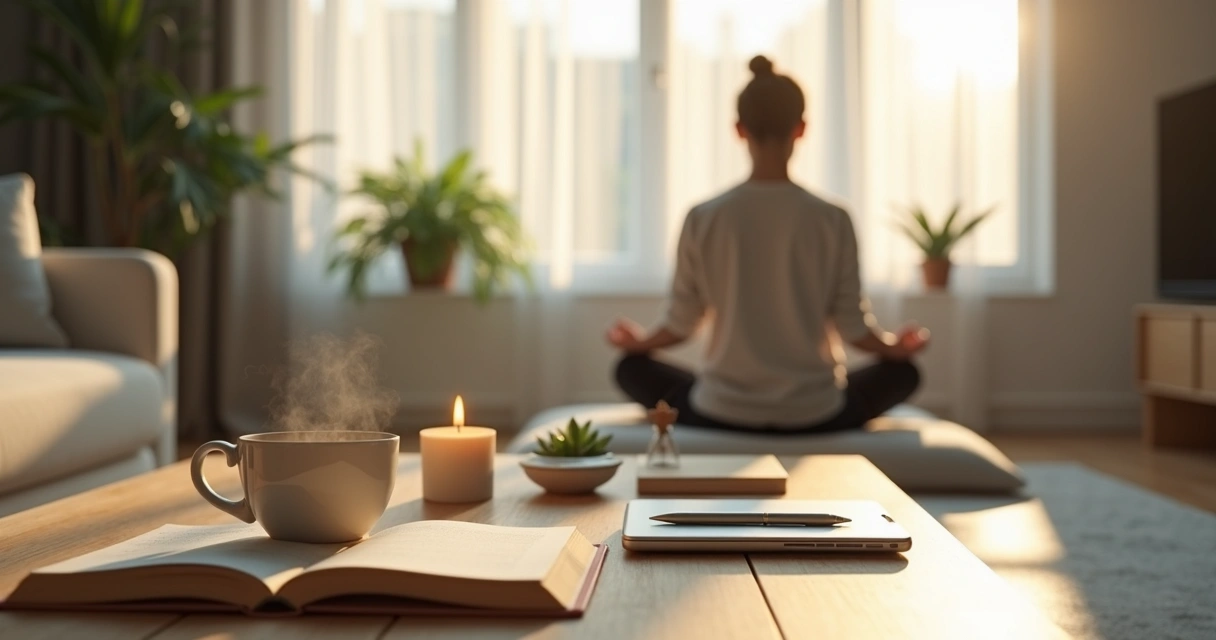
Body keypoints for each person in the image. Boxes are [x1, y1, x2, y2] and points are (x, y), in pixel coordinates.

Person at [606, 55, 927, 435]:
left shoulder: (703, 216)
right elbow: (854, 328)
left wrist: (640, 342)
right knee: (904, 373)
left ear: (739, 130)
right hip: (817, 412)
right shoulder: (833, 218)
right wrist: (895, 347)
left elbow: (681, 322)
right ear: (801, 128)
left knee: (630, 369)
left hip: (720, 410)